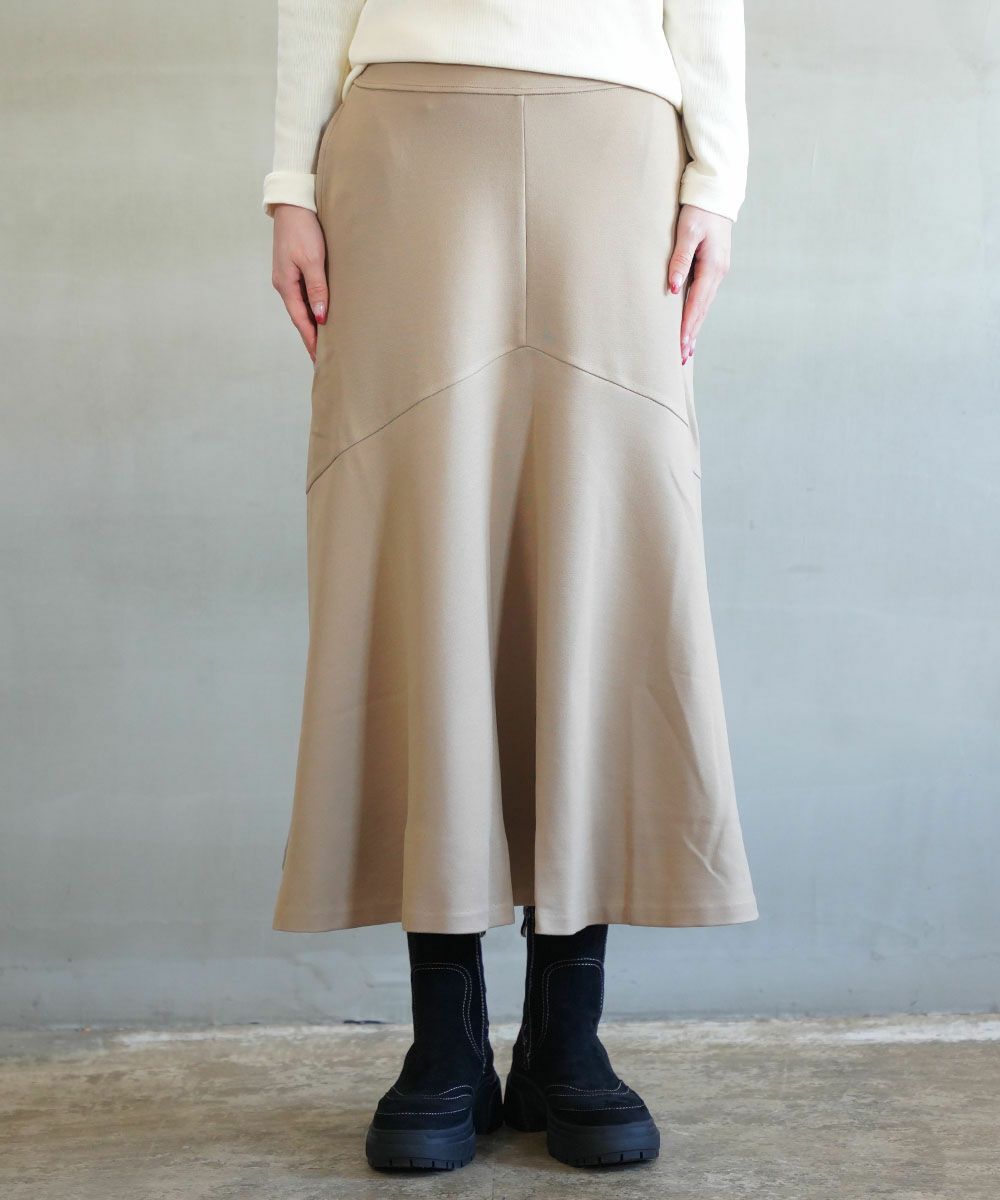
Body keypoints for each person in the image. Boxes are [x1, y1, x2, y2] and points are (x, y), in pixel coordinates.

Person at [264, 0, 759, 1172]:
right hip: (402, 140)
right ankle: (445, 1042)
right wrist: (289, 178)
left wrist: (716, 181)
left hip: (617, 149)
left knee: (604, 549)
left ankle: (563, 1037)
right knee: (411, 549)